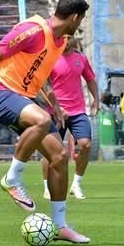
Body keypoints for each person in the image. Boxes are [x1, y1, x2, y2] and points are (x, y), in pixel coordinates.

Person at [0, 0, 91, 244]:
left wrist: (56, 105)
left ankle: (60, 226)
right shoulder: (33, 30)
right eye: (81, 19)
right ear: (75, 17)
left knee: (59, 158)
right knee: (41, 120)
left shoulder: (60, 41)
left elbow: (43, 74)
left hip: (23, 99)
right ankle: (12, 178)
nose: (79, 25)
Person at [41, 36, 99, 200]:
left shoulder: (81, 58)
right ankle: (47, 187)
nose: (65, 40)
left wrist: (96, 99)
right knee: (49, 152)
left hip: (78, 111)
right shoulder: (50, 57)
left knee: (86, 145)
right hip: (55, 112)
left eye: (68, 37)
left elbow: (90, 79)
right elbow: (42, 86)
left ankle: (76, 184)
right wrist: (54, 107)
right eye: (63, 37)